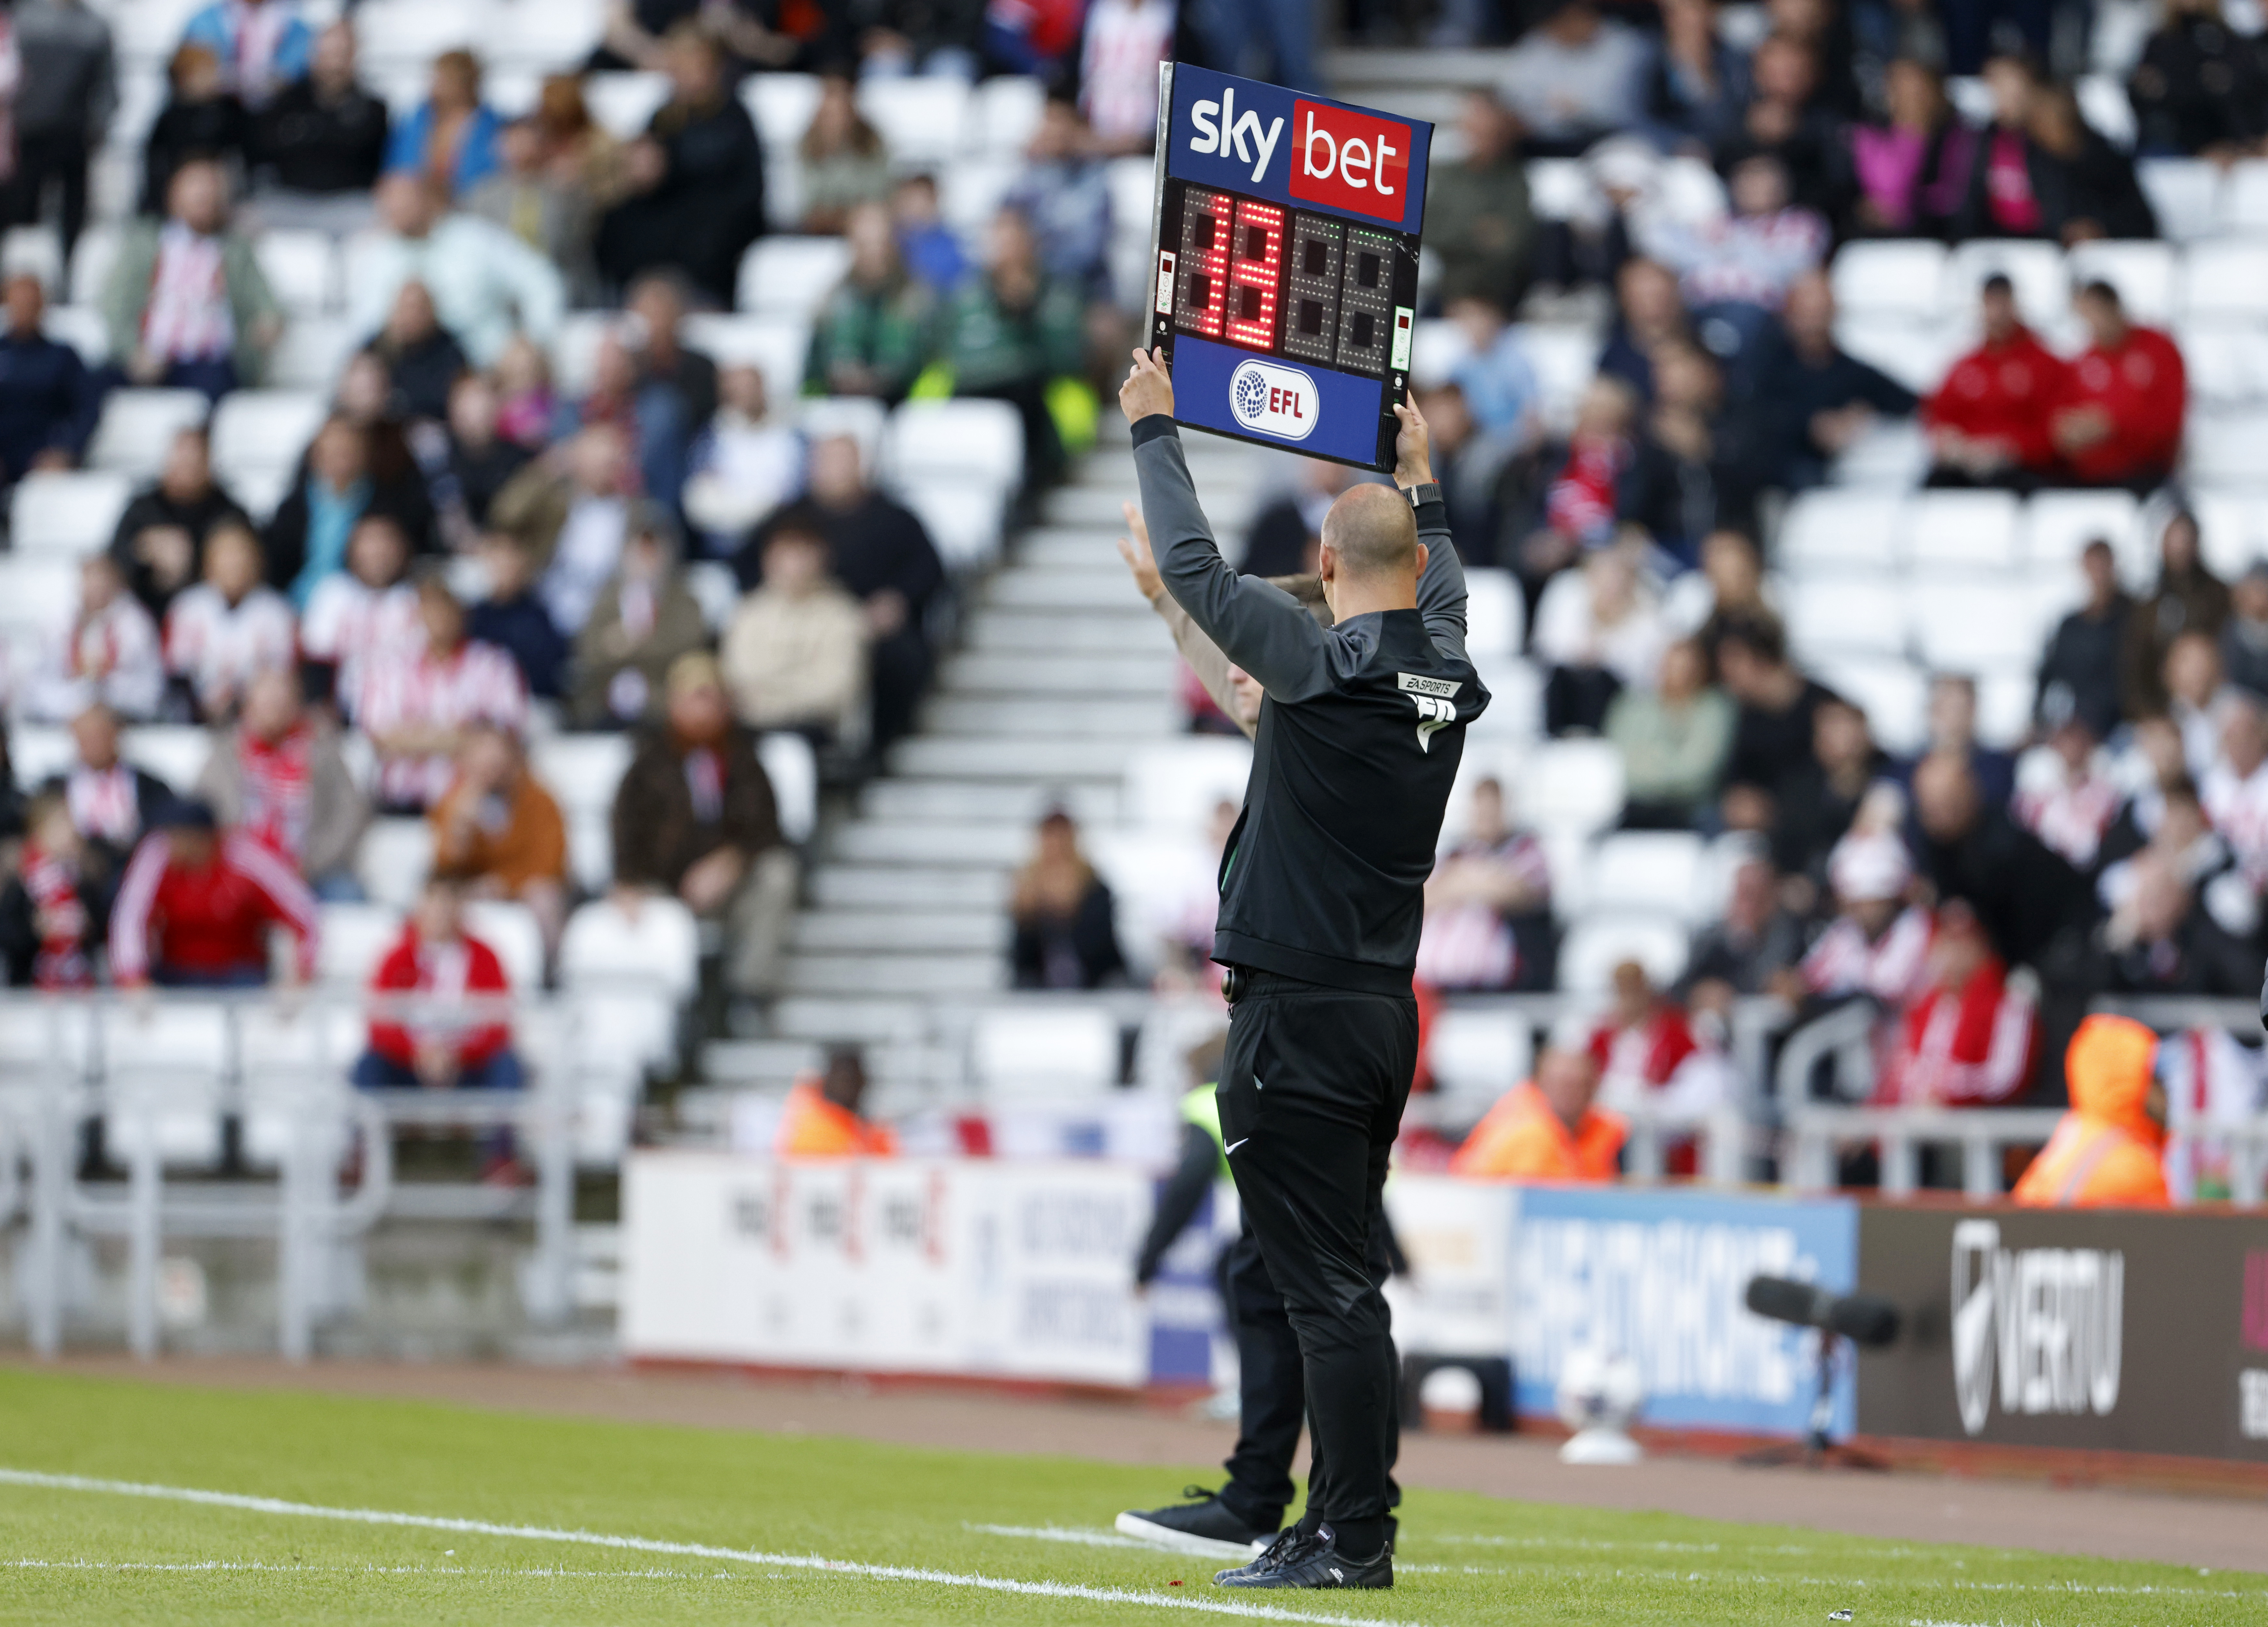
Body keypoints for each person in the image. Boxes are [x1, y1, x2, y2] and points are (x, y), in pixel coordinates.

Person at [1122, 350, 1485, 1588]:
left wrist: (1155, 432)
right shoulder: (1439, 668)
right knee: (1331, 1278)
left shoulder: (1319, 665)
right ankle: (1329, 1519)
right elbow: (1443, 601)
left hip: (1295, 1013)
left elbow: (1193, 570)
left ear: (1325, 570)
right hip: (1379, 1011)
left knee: (1323, 1285)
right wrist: (1424, 487)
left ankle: (1350, 1534)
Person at [611, 653, 796, 1007]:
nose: (701, 708)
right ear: (673, 703)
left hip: (730, 889)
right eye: (692, 697)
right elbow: (625, 829)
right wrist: (628, 881)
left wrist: (732, 860)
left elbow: (767, 829)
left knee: (778, 875)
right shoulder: (648, 763)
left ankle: (750, 990)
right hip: (663, 887)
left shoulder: (744, 759)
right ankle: (672, 1012)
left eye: (709, 697)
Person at [356, 874, 528, 1182]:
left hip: (467, 1067)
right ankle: (361, 1160)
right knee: (368, 1066)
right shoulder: (396, 957)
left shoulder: (485, 957)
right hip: (409, 1066)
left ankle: (501, 1162)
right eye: (433, 905)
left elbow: (501, 1023)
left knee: (508, 1066)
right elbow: (377, 1022)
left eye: (447, 906)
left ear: (460, 910)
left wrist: (456, 1054)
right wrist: (418, 1053)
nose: (439, 915)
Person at [594, 25, 766, 307]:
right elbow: (648, 171)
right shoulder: (663, 116)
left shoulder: (736, 119)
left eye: (694, 65)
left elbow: (749, 190)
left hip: (715, 229)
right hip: (668, 221)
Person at [99, 158, 281, 398]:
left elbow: (268, 305)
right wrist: (133, 351)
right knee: (92, 382)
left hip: (207, 362)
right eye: (196, 189)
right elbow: (113, 301)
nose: (205, 197)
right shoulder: (145, 243)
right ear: (174, 196)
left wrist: (268, 323)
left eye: (211, 191)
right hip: (149, 356)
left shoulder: (236, 250)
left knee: (213, 389)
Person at [349, 171, 565, 370]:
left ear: (427, 199)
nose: (395, 209)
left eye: (403, 201)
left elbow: (538, 278)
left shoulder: (473, 237)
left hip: (486, 363)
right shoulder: (377, 255)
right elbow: (367, 324)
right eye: (389, 203)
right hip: (409, 370)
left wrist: (535, 338)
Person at [353, 574, 528, 812]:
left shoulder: (494, 664)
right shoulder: (391, 666)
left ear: (462, 611)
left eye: (446, 605)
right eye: (429, 606)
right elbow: (379, 735)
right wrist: (458, 736)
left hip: (471, 803)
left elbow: (503, 736)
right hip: (401, 802)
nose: (438, 615)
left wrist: (413, 735)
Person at [937, 207, 1084, 485]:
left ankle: (1033, 486)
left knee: (1028, 398)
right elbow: (949, 351)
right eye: (999, 243)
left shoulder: (1056, 292)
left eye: (1013, 243)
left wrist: (1027, 312)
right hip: (976, 387)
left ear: (1030, 244)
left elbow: (1068, 358)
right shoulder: (966, 294)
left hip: (1034, 391)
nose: (1006, 253)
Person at [108, 796, 319, 986]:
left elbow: (305, 917)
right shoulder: (158, 854)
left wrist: (300, 979)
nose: (170, 844)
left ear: (201, 838)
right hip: (178, 973)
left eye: (177, 837)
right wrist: (132, 978)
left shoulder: (245, 857)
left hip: (240, 973)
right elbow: (130, 918)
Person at [195, 667, 367, 897]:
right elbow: (202, 812)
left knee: (349, 898)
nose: (274, 712)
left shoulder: (323, 750)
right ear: (249, 708)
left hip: (312, 871)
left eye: (281, 704)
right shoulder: (224, 755)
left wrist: (313, 863)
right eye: (267, 704)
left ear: (297, 707)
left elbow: (350, 814)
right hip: (240, 872)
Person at [1759, 269, 1915, 489]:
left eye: (1822, 314)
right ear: (1788, 317)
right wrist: (1811, 426)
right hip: (1784, 475)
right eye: (1806, 315)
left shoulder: (1851, 371)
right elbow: (1756, 417)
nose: (1815, 324)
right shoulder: (1766, 369)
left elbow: (1908, 402)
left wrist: (1865, 413)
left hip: (1850, 476)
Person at [1874, 900, 2038, 1108]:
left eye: (1962, 943)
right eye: (1946, 942)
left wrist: (1949, 1089)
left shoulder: (2010, 1004)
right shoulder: (1927, 1003)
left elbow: (2005, 1079)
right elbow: (1905, 1068)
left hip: (1979, 1124)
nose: (1951, 954)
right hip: (1920, 1120)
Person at [428, 722, 568, 964]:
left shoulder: (539, 800)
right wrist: (459, 833)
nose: (490, 774)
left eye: (496, 766)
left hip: (524, 891)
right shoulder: (453, 803)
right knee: (435, 903)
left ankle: (549, 975)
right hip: (471, 890)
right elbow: (442, 870)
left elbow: (551, 864)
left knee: (544, 898)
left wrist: (505, 885)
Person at [1922, 274, 2067, 490]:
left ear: (2016, 305)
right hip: (1968, 466)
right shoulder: (1965, 365)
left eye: (2003, 303)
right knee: (1935, 483)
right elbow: (1939, 415)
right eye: (1990, 303)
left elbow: (2057, 431)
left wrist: (2009, 449)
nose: (1997, 313)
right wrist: (1951, 443)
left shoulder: (2044, 363)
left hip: (2023, 469)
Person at [2010, 1015, 2170, 1207]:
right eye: (2156, 1078)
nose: (2167, 1091)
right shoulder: (2131, 1165)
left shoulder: (2076, 1133)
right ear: (2134, 1082)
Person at [573, 503, 709, 730]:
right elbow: (588, 652)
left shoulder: (685, 600)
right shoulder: (605, 600)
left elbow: (690, 648)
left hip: (664, 706)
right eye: (637, 547)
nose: (645, 557)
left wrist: (631, 645)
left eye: (652, 547)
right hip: (604, 706)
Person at [1414, 777, 1554, 993]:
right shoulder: (1454, 853)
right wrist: (1482, 878)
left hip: (1502, 983)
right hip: (1441, 983)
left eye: (1492, 810)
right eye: (1481, 811)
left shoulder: (1526, 848)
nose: (1485, 818)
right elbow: (1423, 898)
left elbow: (1519, 892)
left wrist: (1461, 879)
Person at [2050, 281, 2185, 491]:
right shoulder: (2082, 362)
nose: (2093, 324)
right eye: (2085, 317)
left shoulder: (2158, 349)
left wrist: (2112, 426)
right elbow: (2061, 424)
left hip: (2146, 474)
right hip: (2089, 478)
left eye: (2097, 313)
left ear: (2115, 307)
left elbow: (2169, 420)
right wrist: (2071, 434)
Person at [6, 0, 116, 258]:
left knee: (74, 213)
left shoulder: (96, 28)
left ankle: (66, 270)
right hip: (28, 134)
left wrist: (97, 125)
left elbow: (108, 86)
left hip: (75, 135)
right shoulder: (24, 20)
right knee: (21, 213)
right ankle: (19, 277)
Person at [1531, 537, 1669, 737]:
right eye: (1603, 574)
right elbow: (1547, 648)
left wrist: (1614, 629)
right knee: (1565, 678)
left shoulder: (1648, 610)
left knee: (1602, 680)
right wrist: (1593, 626)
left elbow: (1645, 673)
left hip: (1620, 697)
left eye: (1618, 574)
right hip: (1570, 688)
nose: (1611, 583)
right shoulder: (1568, 592)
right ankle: (1557, 738)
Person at [108, 426, 250, 620]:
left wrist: (193, 558)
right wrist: (144, 551)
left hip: (208, 619)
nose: (187, 467)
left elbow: (249, 564)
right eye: (182, 459)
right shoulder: (143, 508)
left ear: (209, 463)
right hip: (146, 614)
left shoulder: (228, 511)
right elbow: (115, 558)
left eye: (195, 460)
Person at [161, 519, 295, 722]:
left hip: (258, 720)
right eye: (225, 555)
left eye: (241, 554)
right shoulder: (187, 608)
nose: (234, 563)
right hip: (196, 715)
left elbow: (282, 676)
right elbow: (176, 674)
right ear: (208, 562)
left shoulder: (277, 612)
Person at [803, 200, 936, 404]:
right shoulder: (831, 302)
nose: (874, 254)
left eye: (881, 243)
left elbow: (929, 370)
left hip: (903, 409)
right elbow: (813, 376)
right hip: (839, 409)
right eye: (865, 244)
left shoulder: (921, 300)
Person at [1716, 615, 1836, 829]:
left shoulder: (1824, 709)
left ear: (1762, 660)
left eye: (1733, 663)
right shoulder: (1746, 716)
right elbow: (1737, 779)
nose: (1726, 675)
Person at [1447, 1039, 1625, 1179]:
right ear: (1540, 1083)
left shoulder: (1601, 1130)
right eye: (1564, 1084)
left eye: (1582, 1085)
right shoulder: (1525, 1130)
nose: (1573, 1095)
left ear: (1594, 1089)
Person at [1607, 636, 1734, 829]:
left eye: (1686, 668)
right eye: (1671, 666)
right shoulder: (1633, 707)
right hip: (1637, 806)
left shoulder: (1715, 708)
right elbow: (1621, 762)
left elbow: (1699, 771)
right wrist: (1670, 767)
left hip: (1693, 806)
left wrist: (1652, 763)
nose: (1678, 675)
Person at [251, 19, 387, 199]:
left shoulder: (373, 109)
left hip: (350, 202)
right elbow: (265, 151)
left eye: (342, 55)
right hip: (288, 200)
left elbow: (369, 161)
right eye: (328, 55)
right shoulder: (285, 103)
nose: (334, 65)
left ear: (355, 57)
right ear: (313, 56)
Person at [1798, 827, 1933, 1007]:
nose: (1865, 912)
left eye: (1874, 902)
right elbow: (1804, 982)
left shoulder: (1920, 931)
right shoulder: (1845, 933)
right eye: (1857, 903)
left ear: (1894, 898)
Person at [1497, 0, 1652, 156]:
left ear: (1581, 12)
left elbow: (1615, 110)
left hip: (1617, 143)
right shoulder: (1541, 43)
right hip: (1549, 142)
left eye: (1568, 19)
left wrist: (1568, 109)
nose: (1560, 29)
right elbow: (1513, 92)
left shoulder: (1626, 44)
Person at [26, 554, 165, 723]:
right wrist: (78, 701)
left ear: (116, 582)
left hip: (122, 714)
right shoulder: (57, 623)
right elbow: (42, 679)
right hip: (66, 712)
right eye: (89, 580)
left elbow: (148, 685)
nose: (95, 588)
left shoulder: (136, 624)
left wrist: (105, 697)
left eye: (101, 580)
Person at [299, 512, 418, 708]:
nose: (379, 551)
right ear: (351, 548)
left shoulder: (419, 599)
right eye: (369, 541)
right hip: (341, 719)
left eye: (387, 540)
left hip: (410, 718)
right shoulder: (332, 594)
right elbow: (316, 664)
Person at [1846, 56, 1972, 239]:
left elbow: (1955, 199)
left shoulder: (1963, 139)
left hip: (1942, 239)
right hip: (1877, 242)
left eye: (1921, 92)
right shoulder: (1868, 137)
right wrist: (1912, 136)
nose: (1913, 101)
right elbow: (1890, 193)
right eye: (1902, 91)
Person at [1005, 92, 1113, 300]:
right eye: (1049, 121)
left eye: (1061, 122)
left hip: (1081, 286)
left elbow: (1089, 250)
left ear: (1076, 130)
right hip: (1032, 282)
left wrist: (1035, 257)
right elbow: (1006, 221)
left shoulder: (1095, 179)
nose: (1054, 131)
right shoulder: (1031, 175)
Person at [48, 702, 173, 883]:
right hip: (76, 871)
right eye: (84, 739)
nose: (91, 746)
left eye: (98, 737)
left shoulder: (150, 786)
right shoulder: (56, 788)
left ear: (115, 735)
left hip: (131, 865)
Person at [2128, 0, 2268, 159]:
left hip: (2238, 150)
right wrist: (2201, 148)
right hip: (2180, 152)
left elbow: (2249, 98)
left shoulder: (2232, 44)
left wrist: (2247, 144)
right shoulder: (2160, 46)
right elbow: (2160, 111)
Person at [684, 364, 802, 552]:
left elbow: (794, 493)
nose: (746, 395)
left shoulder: (791, 436)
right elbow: (700, 501)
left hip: (779, 534)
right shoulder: (711, 438)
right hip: (724, 540)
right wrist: (760, 504)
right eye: (739, 388)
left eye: (751, 387)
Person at [0, 271, 101, 487]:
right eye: (19, 303)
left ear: (42, 306)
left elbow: (88, 408)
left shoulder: (62, 356)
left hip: (43, 451)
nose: (25, 309)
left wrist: (67, 451)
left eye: (31, 303)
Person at [2124, 510, 2228, 717]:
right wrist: (2149, 717)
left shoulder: (2218, 595)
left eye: (2186, 538)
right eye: (2174, 539)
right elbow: (2134, 665)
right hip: (2159, 712)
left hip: (2213, 705)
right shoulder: (2147, 602)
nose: (2180, 546)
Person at [1008, 808, 1125, 990]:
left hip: (1095, 984)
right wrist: (1033, 912)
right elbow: (1021, 962)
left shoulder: (1096, 888)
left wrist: (1073, 910)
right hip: (1041, 989)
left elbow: (1102, 952)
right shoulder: (1027, 891)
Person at [2036, 539, 2132, 739]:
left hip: (2124, 727)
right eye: (2093, 567)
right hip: (2078, 731)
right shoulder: (2069, 626)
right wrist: (2040, 724)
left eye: (2103, 566)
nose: (2099, 574)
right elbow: (2048, 677)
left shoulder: (2133, 620)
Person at [139, 41, 249, 216]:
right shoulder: (170, 119)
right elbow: (156, 168)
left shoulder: (230, 113)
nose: (213, 77)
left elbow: (243, 158)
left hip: (223, 198)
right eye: (205, 71)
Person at [0, 791, 97, 988]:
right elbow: (8, 935)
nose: (70, 832)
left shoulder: (81, 880)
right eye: (61, 826)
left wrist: (86, 925)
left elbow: (98, 929)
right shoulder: (22, 881)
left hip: (78, 987)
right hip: (30, 990)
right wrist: (34, 930)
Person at [383, 48, 500, 201]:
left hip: (472, 202)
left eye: (443, 79)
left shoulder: (492, 126)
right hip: (419, 204)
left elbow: (491, 176)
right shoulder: (416, 120)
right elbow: (398, 168)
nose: (435, 84)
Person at [466, 532, 567, 701]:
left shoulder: (540, 617)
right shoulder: (473, 617)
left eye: (512, 559)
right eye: (500, 559)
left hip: (529, 702)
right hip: (479, 706)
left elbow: (547, 676)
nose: (506, 566)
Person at [794, 70, 887, 235]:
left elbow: (878, 198)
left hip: (867, 231)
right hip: (814, 233)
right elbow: (807, 209)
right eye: (828, 115)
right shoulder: (805, 145)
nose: (834, 122)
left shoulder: (873, 143)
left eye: (840, 114)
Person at [366, 280, 469, 425]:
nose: (411, 316)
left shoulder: (449, 349)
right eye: (406, 308)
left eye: (418, 309)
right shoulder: (378, 347)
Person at [177, 0, 310, 111]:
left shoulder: (297, 29)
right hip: (215, 113)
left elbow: (293, 76)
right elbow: (189, 76)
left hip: (276, 115)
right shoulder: (205, 21)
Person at [775, 1046, 899, 1158]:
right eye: (842, 1079)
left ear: (863, 1082)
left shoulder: (873, 1130)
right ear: (825, 1081)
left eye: (853, 1079)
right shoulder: (812, 1126)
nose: (847, 1087)